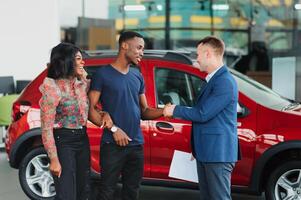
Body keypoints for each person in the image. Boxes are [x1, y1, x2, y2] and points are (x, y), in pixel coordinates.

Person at [88, 31, 163, 200]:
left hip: (136, 144)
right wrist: (114, 129)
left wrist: (165, 111)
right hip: (112, 145)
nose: (142, 53)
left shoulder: (137, 75)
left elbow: (145, 111)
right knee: (107, 191)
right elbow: (90, 110)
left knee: (132, 191)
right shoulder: (103, 74)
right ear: (124, 46)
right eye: (139, 48)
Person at [163, 36, 239, 200]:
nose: (196, 58)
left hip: (218, 154)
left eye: (198, 54)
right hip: (208, 151)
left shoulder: (224, 81)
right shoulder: (214, 79)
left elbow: (202, 113)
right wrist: (198, 147)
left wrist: (174, 109)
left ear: (208, 54)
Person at [39, 43, 90, 200]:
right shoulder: (52, 88)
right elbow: (46, 129)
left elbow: (87, 89)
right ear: (66, 61)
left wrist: (82, 74)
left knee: (84, 191)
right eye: (79, 59)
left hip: (82, 138)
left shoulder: (80, 84)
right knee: (66, 193)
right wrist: (54, 160)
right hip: (64, 141)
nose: (83, 62)